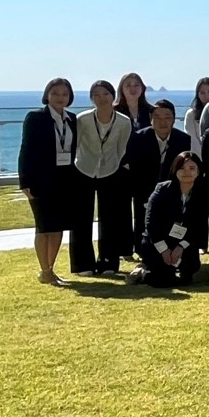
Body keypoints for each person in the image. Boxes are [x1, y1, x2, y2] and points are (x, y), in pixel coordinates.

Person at [18, 77, 80, 286]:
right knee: (43, 226)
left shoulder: (72, 119)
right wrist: (25, 182)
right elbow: (26, 150)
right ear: (47, 95)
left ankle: (50, 269)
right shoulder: (35, 118)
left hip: (64, 180)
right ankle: (44, 270)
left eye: (64, 94)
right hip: (40, 181)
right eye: (55, 93)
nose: (60, 97)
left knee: (58, 226)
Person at [73, 79, 133, 275]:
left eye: (105, 94)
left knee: (110, 219)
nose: (102, 98)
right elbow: (75, 145)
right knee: (81, 218)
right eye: (96, 95)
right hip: (83, 169)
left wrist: (112, 163)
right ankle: (83, 264)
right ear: (91, 98)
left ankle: (108, 262)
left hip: (110, 171)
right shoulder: (82, 119)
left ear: (113, 96)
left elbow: (122, 148)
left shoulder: (123, 121)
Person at [122, 98, 191, 256]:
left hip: (172, 187)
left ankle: (170, 250)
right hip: (143, 187)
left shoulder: (183, 139)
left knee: (170, 219)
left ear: (174, 119)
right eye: (157, 117)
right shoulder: (139, 137)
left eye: (167, 117)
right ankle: (142, 252)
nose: (162, 122)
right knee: (143, 220)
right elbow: (132, 166)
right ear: (150, 119)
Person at [134, 151, 207, 288]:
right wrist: (164, 250)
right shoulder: (162, 190)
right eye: (182, 168)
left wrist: (180, 247)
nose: (187, 172)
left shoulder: (202, 193)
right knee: (161, 280)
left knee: (188, 273)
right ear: (175, 170)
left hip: (182, 242)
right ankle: (143, 270)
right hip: (159, 242)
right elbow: (150, 223)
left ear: (198, 171)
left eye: (192, 168)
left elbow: (198, 225)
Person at [184, 77, 209, 154]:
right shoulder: (191, 114)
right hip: (198, 157)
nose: (206, 96)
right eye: (202, 93)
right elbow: (192, 140)